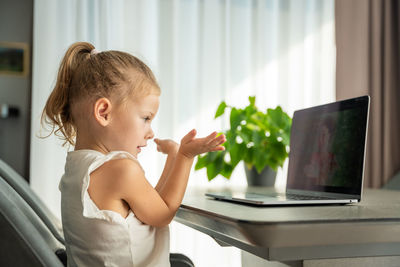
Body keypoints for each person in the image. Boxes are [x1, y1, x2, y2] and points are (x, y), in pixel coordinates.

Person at [41, 42, 226, 267]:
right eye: (146, 118)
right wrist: (185, 158)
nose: (150, 132)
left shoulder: (77, 167)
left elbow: (149, 206)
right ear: (103, 112)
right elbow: (163, 214)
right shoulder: (120, 169)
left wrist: (173, 157)